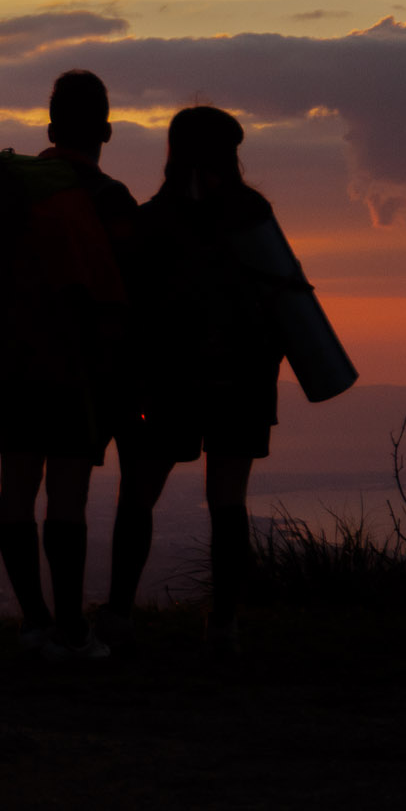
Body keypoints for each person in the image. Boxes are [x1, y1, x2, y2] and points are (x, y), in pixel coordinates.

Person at [103, 105, 284, 656]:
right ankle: (223, 626)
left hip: (164, 380)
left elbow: (128, 307)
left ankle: (118, 617)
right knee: (228, 498)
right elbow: (280, 294)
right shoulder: (253, 211)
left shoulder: (151, 218)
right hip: (244, 378)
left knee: (137, 495)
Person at [0, 70, 138, 662]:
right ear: (106, 129)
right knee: (68, 497)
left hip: (16, 360)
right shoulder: (110, 198)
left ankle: (33, 624)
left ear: (49, 128)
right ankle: (73, 631)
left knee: (16, 491)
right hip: (79, 369)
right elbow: (132, 287)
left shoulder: (12, 190)